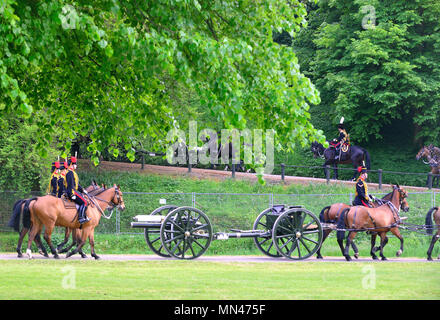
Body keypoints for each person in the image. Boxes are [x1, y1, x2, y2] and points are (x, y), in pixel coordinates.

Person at [65, 155, 90, 224]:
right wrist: (72, 194)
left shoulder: (72, 172)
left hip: (74, 191)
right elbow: (70, 185)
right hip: (72, 192)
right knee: (85, 202)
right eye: (75, 164)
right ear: (72, 165)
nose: (76, 166)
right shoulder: (70, 173)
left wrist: (82, 190)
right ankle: (81, 218)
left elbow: (75, 184)